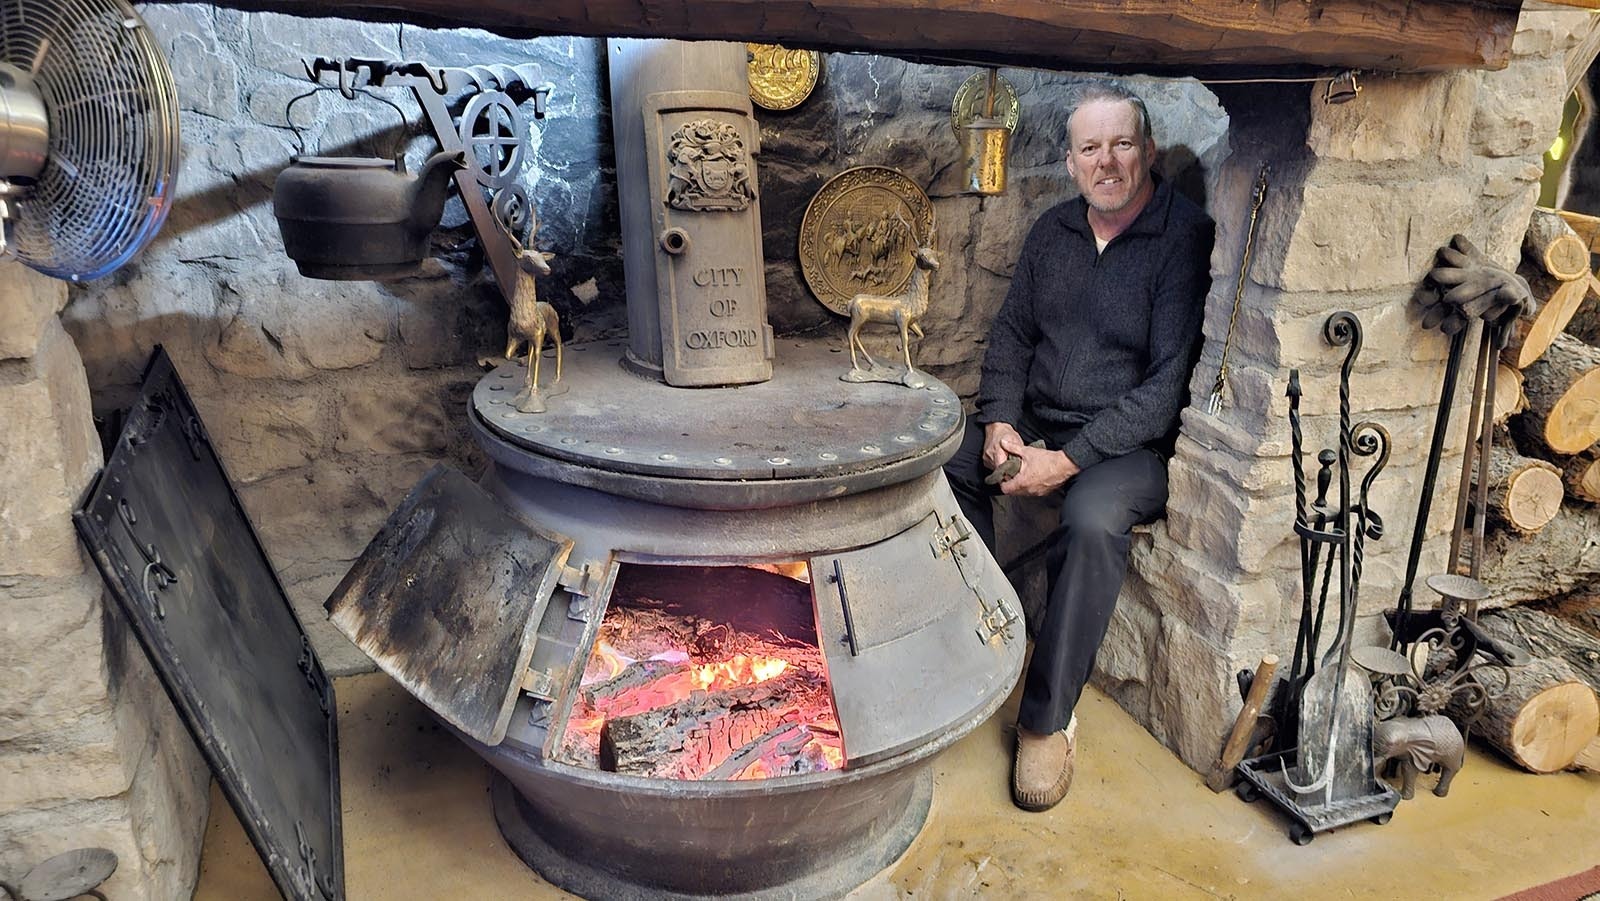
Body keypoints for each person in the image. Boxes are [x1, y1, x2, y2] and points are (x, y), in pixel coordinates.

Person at [944, 81, 1214, 812]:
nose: (1108, 161)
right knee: (942, 460)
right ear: (1070, 163)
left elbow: (1164, 387)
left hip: (1127, 448)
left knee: (1092, 521)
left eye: (1122, 143)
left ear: (1148, 151)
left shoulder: (1181, 237)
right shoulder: (1053, 233)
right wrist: (1000, 422)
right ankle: (976, 633)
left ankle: (1045, 719)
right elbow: (1011, 336)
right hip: (1039, 423)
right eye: (1090, 148)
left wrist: (1065, 461)